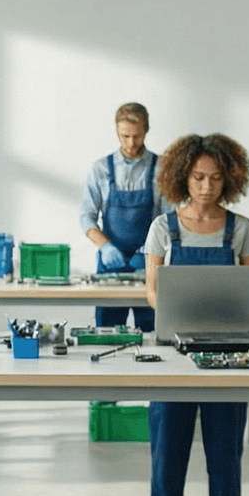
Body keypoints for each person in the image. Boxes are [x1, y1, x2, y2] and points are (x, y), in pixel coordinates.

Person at [142, 133, 249, 496]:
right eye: (198, 178)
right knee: (167, 457)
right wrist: (175, 322)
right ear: (182, 178)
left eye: (214, 178)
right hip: (173, 356)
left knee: (225, 459)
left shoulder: (240, 229)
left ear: (229, 179)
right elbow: (152, 290)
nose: (206, 187)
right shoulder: (163, 228)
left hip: (228, 358)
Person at [80, 102, 170, 331]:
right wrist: (105, 247)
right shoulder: (101, 169)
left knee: (152, 332)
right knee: (107, 333)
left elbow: (170, 218)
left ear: (146, 130)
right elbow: (87, 217)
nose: (131, 143)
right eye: (125, 136)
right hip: (110, 265)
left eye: (137, 136)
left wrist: (152, 249)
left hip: (148, 262)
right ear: (116, 131)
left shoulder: (162, 169)